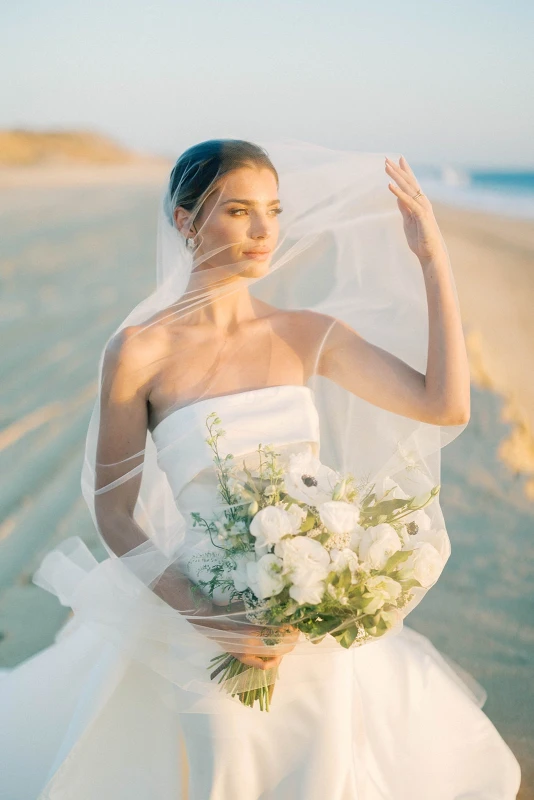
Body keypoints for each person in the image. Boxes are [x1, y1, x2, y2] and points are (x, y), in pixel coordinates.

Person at [0, 139, 521, 799]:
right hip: (199, 614)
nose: (263, 231)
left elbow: (444, 405)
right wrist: (207, 615)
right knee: (225, 766)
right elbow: (113, 511)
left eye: (272, 211)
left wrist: (433, 260)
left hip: (309, 621)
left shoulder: (304, 333)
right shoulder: (138, 352)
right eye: (239, 211)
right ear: (186, 221)